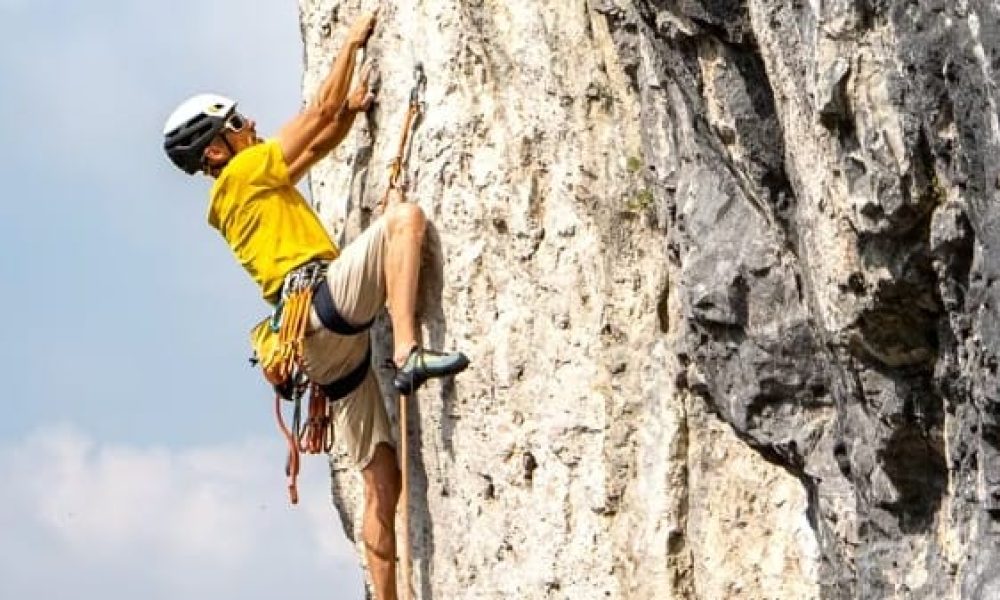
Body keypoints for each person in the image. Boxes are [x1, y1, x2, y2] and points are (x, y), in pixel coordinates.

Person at [160, 11, 468, 600]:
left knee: (381, 479)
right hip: (324, 305)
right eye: (238, 124)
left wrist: (351, 110)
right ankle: (406, 350)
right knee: (403, 222)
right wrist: (350, 42)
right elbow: (317, 119)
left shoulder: (242, 189)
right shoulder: (244, 173)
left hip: (319, 350)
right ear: (219, 148)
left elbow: (321, 137)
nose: (251, 126)